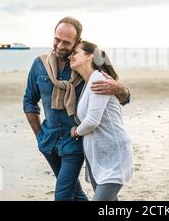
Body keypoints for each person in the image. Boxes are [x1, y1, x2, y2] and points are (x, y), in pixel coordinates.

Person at [23, 17, 131, 201]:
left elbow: (121, 98)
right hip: (48, 140)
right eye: (57, 39)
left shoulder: (83, 70)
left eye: (66, 42)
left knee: (63, 194)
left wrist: (121, 89)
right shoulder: (39, 64)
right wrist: (39, 135)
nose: (59, 45)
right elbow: (29, 102)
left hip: (75, 142)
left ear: (77, 42)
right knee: (76, 193)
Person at [70, 40, 134, 201]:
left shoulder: (99, 80)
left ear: (89, 56)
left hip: (113, 154)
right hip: (98, 156)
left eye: (75, 52)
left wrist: (76, 131)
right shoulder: (87, 83)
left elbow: (92, 121)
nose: (71, 56)